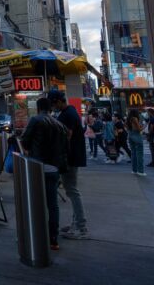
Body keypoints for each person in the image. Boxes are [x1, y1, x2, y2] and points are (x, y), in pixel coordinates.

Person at [18, 97, 69, 250]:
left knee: (34, 203)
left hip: (37, 167)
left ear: (38, 108)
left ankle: (35, 235)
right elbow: (65, 147)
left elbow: (25, 141)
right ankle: (53, 238)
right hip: (54, 169)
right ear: (51, 108)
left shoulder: (35, 120)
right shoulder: (59, 124)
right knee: (52, 205)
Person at [48, 89, 89, 240]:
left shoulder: (68, 115)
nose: (53, 108)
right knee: (71, 190)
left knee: (72, 190)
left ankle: (81, 227)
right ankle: (75, 224)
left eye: (53, 104)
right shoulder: (68, 113)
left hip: (70, 158)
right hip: (70, 157)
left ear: (59, 101)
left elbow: (67, 137)